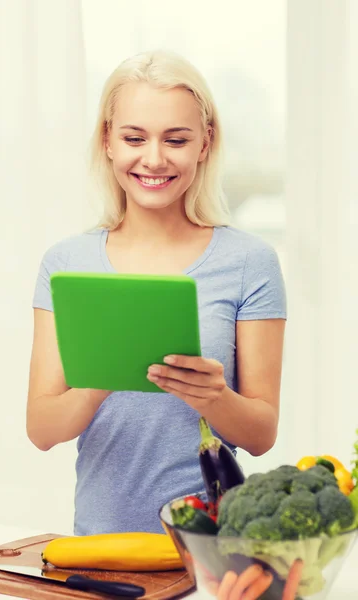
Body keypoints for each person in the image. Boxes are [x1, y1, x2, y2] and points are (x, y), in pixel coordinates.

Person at [26, 49, 287, 537]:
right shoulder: (66, 264)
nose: (154, 158)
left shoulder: (251, 262)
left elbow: (260, 436)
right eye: (134, 137)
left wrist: (213, 396)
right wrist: (104, 375)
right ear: (107, 140)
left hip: (213, 549)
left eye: (176, 139)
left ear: (205, 143)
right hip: (102, 544)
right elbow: (42, 430)